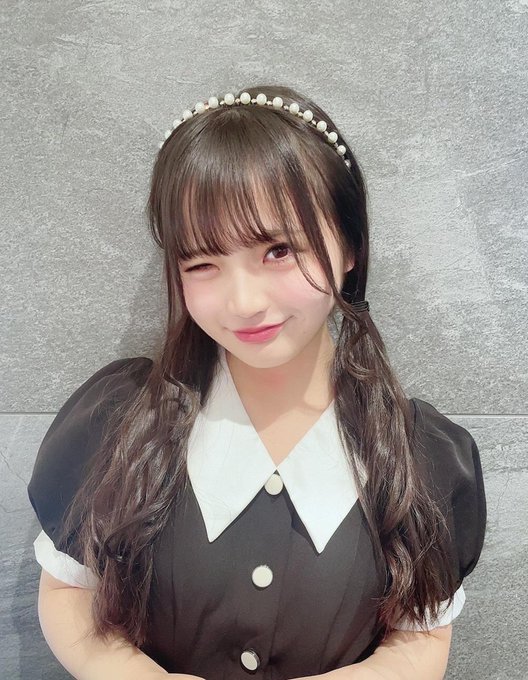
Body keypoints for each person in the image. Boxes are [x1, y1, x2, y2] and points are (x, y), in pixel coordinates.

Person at [27, 84, 487, 680]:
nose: (243, 302)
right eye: (202, 263)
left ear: (350, 245)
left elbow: (420, 636)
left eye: (278, 250)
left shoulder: (422, 456)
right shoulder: (118, 423)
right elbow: (70, 592)